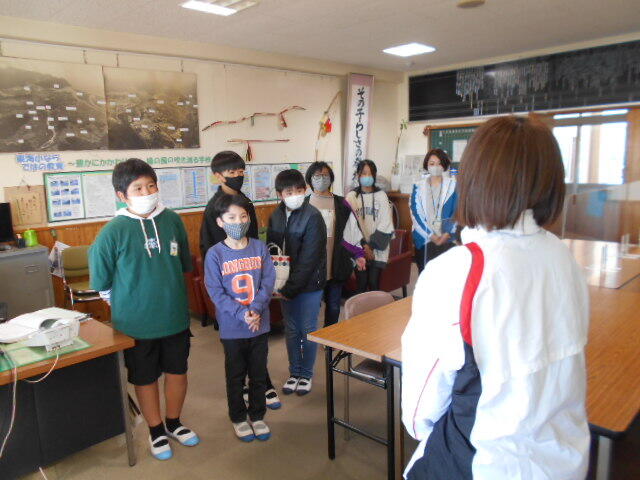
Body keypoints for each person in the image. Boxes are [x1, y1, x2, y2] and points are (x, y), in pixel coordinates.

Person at [402, 116, 590, 480]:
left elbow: (420, 409)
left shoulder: (457, 271)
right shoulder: (564, 257)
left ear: (474, 181)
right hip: (563, 457)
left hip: (484, 462)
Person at [89, 158, 200, 461]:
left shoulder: (172, 220)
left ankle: (174, 423)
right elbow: (101, 282)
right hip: (136, 326)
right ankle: (156, 430)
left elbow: (184, 266)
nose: (147, 192)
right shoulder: (112, 231)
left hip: (175, 318)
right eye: (138, 188)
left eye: (151, 185)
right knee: (144, 378)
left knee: (178, 372)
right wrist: (126, 305)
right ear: (121, 195)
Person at [199, 150, 281, 410]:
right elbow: (208, 248)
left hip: (252, 281)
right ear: (218, 176)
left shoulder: (245, 201)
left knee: (257, 345)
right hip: (230, 287)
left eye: (240, 171)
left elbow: (254, 240)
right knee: (237, 352)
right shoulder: (214, 207)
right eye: (231, 172)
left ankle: (262, 384)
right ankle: (253, 387)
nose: (237, 176)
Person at [204, 194, 276, 442]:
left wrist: (255, 309)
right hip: (232, 327)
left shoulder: (259, 248)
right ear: (220, 222)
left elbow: (268, 282)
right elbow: (215, 291)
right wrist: (242, 313)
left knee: (258, 373)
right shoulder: (215, 254)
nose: (238, 222)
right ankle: (238, 417)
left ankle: (257, 415)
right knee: (235, 375)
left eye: (243, 216)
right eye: (232, 217)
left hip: (259, 324)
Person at [267, 169, 327, 396]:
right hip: (284, 284)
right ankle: (295, 373)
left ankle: (306, 374)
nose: (295, 195)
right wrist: (276, 285)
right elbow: (271, 252)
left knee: (307, 329)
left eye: (299, 190)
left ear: (305, 190)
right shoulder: (275, 215)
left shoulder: (313, 216)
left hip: (309, 284)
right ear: (280, 194)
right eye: (289, 192)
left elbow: (309, 259)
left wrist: (290, 289)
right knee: (291, 329)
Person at [305, 161, 365, 326]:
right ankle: (310, 336)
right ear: (310, 180)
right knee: (311, 307)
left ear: (331, 178)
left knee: (333, 306)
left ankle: (329, 336)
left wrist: (358, 254)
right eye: (317, 176)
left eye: (325, 175)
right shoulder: (304, 204)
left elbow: (352, 230)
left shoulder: (341, 203)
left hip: (336, 263)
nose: (321, 179)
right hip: (312, 268)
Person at [346, 160, 394, 293]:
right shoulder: (351, 197)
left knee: (374, 282)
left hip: (377, 248)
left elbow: (386, 222)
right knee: (361, 283)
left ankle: (376, 307)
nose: (367, 176)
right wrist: (364, 247)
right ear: (358, 175)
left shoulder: (381, 196)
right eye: (364, 173)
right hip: (359, 248)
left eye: (370, 173)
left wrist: (371, 246)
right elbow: (350, 225)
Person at [410, 149, 458, 273]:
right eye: (432, 163)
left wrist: (446, 234)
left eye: (439, 163)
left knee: (446, 275)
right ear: (426, 165)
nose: (435, 167)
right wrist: (432, 236)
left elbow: (457, 212)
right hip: (424, 238)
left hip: (447, 238)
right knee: (425, 275)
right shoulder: (418, 186)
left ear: (444, 166)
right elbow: (416, 214)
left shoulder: (454, 185)